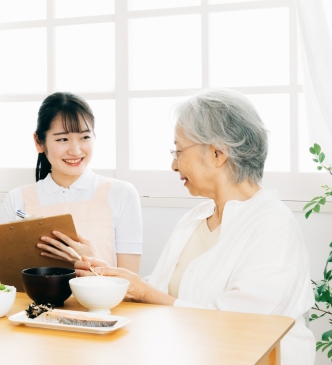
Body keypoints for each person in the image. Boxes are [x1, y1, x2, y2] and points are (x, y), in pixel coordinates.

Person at [75, 88, 314, 364]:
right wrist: (107, 278)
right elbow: (160, 290)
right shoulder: (196, 217)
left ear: (217, 154)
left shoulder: (273, 224)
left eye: (178, 150)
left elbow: (243, 325)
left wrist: (142, 290)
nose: (173, 165)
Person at [3, 92, 142, 273]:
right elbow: (13, 279)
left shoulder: (121, 194)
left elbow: (130, 286)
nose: (76, 151)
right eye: (62, 139)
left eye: (84, 137)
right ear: (39, 142)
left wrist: (90, 259)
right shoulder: (17, 200)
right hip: (36, 301)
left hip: (103, 302)